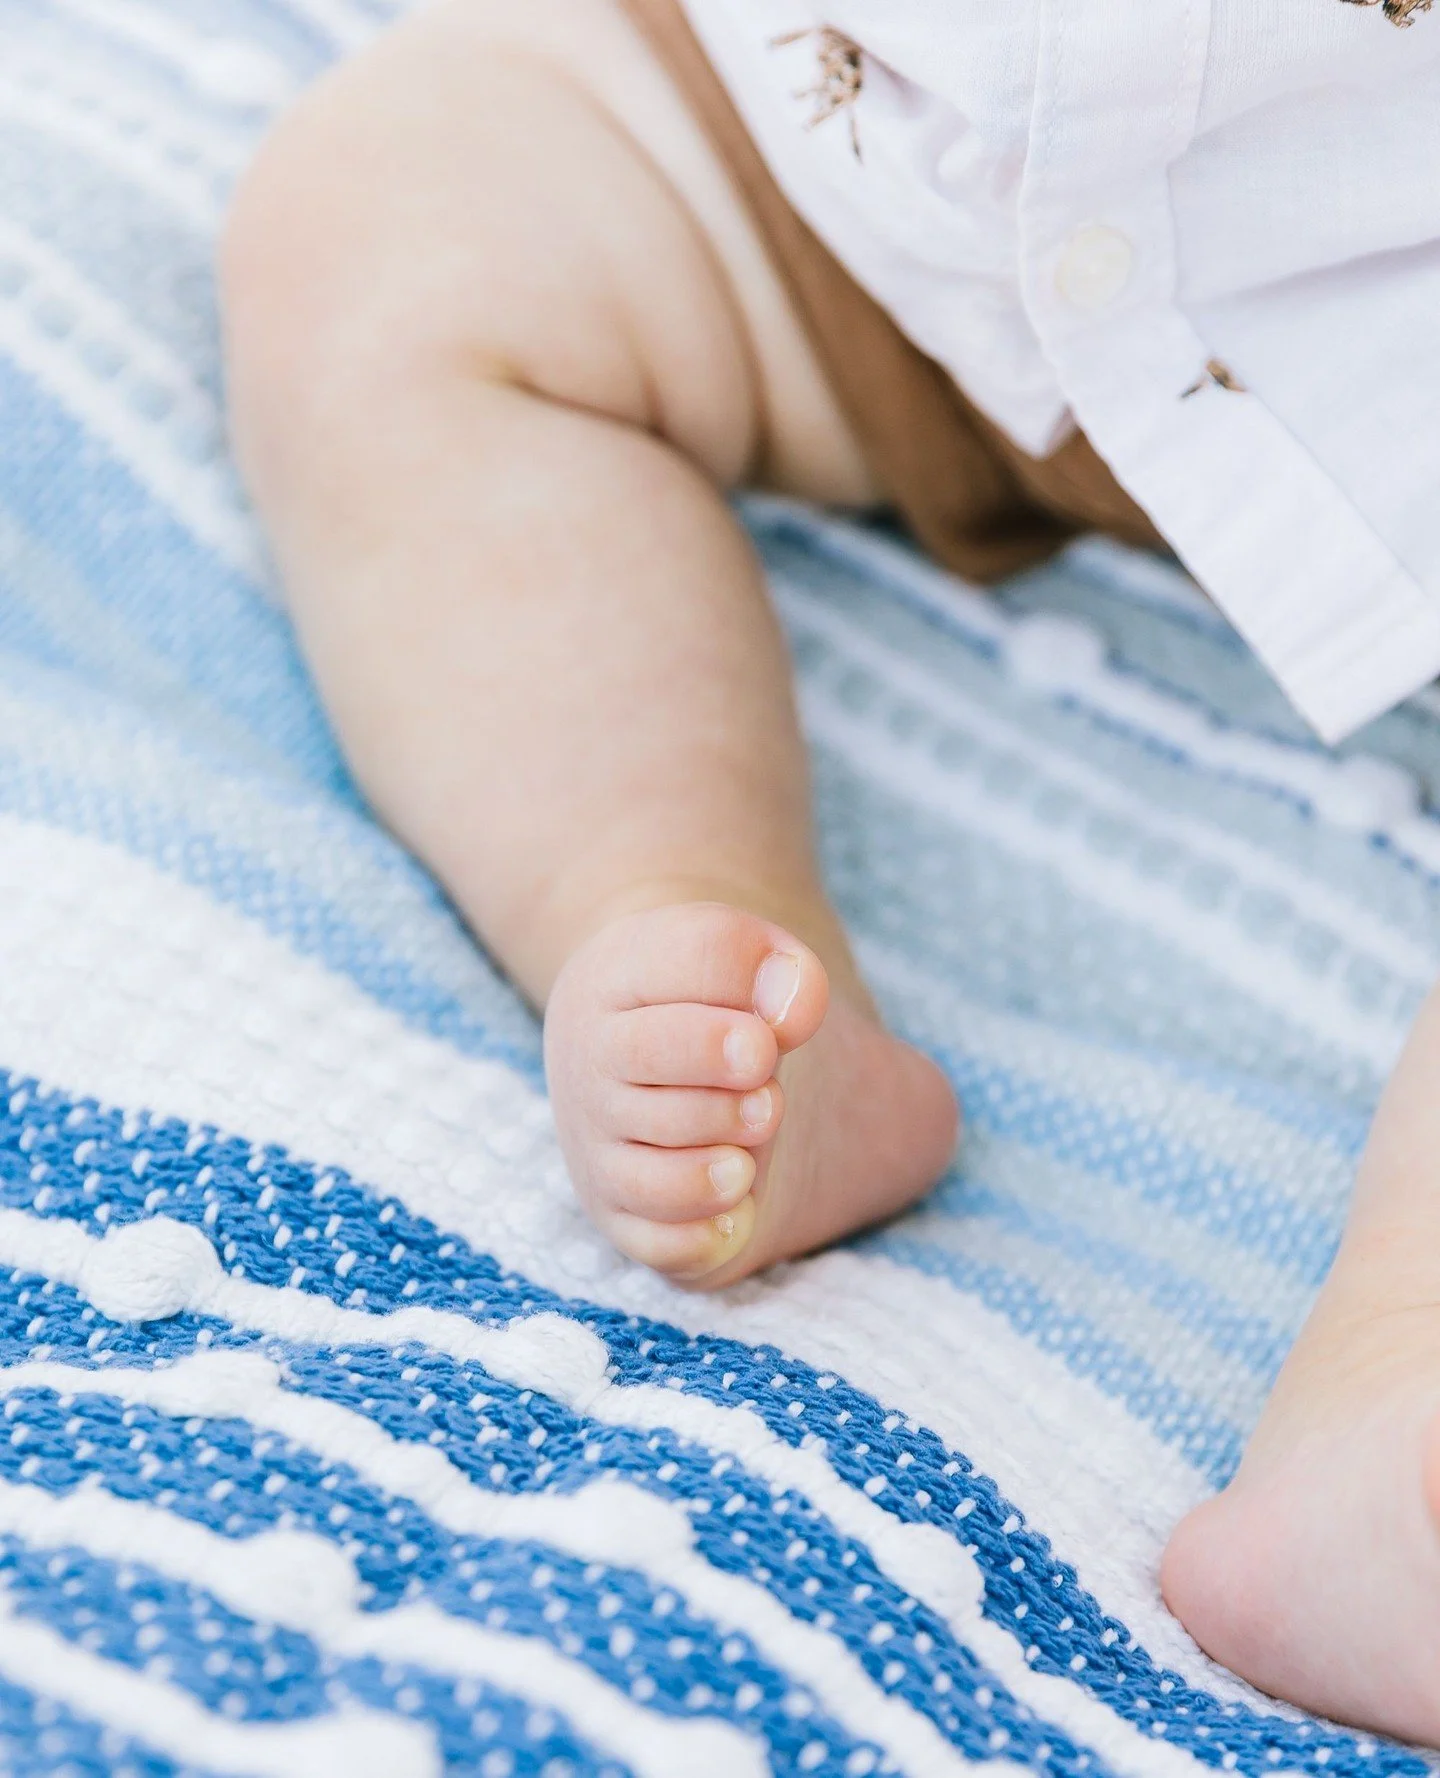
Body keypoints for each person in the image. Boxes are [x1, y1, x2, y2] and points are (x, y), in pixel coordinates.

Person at [219, 0, 1440, 1739]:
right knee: (384, 225)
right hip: (885, 166)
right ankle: (681, 911)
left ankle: (1392, 1412)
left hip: (1388, 272)